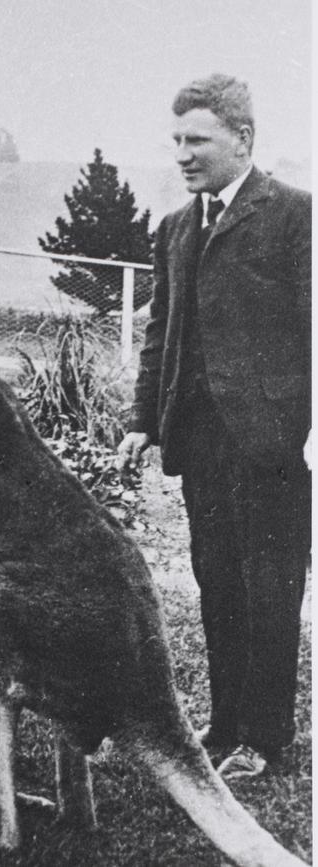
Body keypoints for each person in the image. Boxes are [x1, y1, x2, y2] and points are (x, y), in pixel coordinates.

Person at [117, 74, 310, 780]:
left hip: (271, 445)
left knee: (271, 586)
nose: (182, 154)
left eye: (196, 139)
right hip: (200, 444)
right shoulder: (175, 228)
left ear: (243, 140)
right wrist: (144, 420)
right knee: (218, 580)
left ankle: (266, 737)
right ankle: (225, 722)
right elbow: (159, 332)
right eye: (176, 140)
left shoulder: (295, 216)